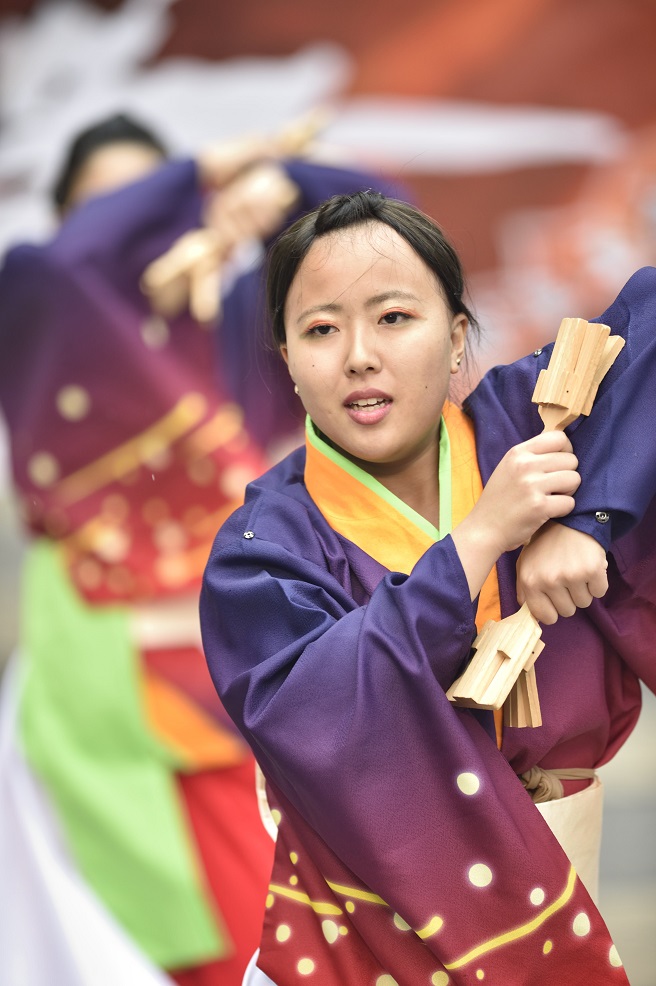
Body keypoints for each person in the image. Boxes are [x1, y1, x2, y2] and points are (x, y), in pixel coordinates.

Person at [200, 190, 656, 985]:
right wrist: (483, 537)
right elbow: (325, 715)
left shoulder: (536, 419)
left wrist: (592, 519)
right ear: (286, 364)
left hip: (562, 904)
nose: (358, 356)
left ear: (455, 339)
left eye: (393, 318)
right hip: (362, 940)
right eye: (319, 329)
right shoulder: (259, 548)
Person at [0, 115, 407, 986]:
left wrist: (281, 183)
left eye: (160, 202)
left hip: (251, 670)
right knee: (145, 933)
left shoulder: (239, 328)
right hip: (106, 690)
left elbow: (386, 232)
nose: (144, 224)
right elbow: (70, 265)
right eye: (114, 208)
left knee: (296, 928)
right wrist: (205, 166)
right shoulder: (37, 302)